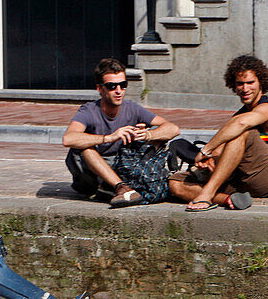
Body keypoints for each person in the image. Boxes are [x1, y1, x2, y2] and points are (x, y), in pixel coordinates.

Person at [169, 54, 268, 213]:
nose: (245, 89)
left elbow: (241, 124)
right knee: (176, 183)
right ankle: (229, 199)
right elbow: (221, 148)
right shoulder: (239, 114)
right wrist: (210, 160)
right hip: (242, 182)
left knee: (243, 132)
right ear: (233, 86)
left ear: (261, 82)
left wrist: (205, 151)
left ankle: (207, 194)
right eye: (240, 84)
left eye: (250, 83)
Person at [62, 58, 180, 208]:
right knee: (85, 149)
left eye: (123, 85)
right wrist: (109, 137)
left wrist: (148, 135)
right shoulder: (89, 111)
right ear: (100, 89)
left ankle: (113, 189)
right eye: (112, 86)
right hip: (92, 173)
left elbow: (173, 128)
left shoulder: (132, 108)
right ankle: (120, 188)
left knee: (158, 138)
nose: (118, 91)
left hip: (123, 166)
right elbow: (68, 139)